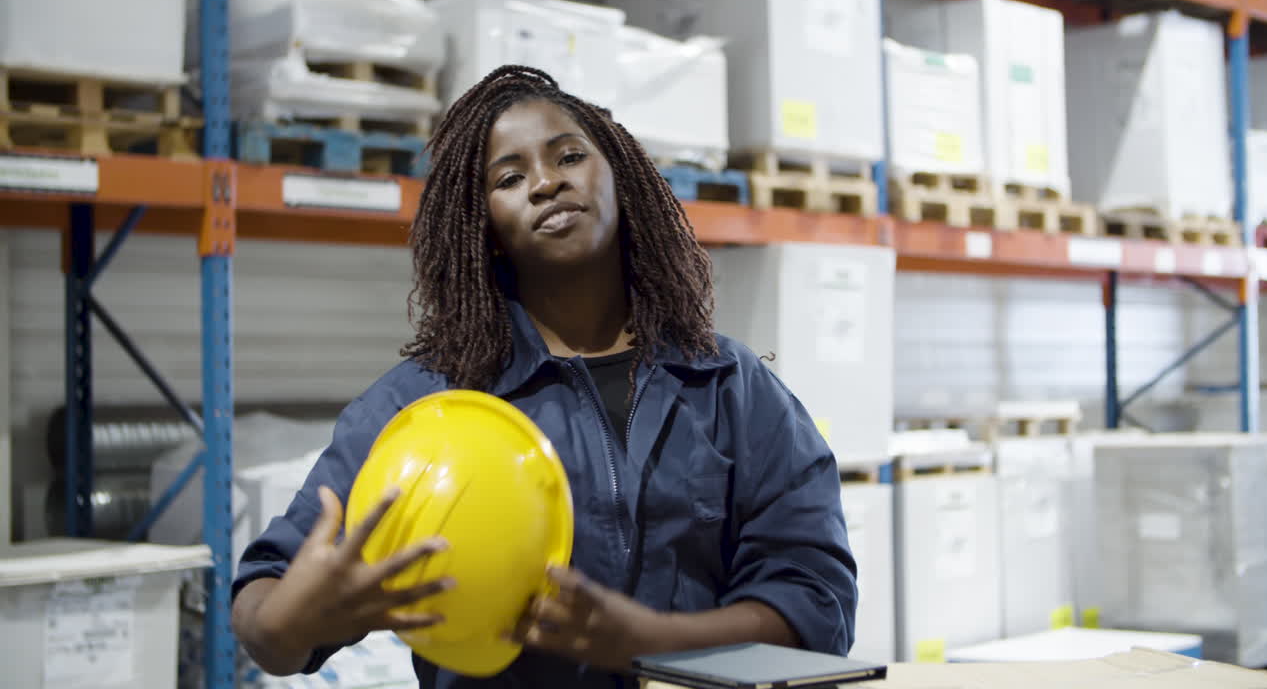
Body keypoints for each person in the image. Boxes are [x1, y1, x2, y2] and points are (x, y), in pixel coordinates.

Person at [230, 65, 858, 688]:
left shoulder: (728, 386)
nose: (546, 183)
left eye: (569, 157)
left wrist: (647, 643)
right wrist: (291, 621)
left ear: (621, 179)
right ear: (485, 230)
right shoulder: (429, 403)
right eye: (509, 178)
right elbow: (265, 606)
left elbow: (816, 602)